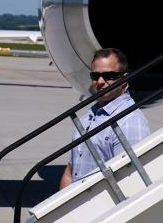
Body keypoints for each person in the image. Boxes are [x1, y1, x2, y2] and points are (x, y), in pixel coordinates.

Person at [59, 48, 150, 189]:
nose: (100, 81)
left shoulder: (130, 122)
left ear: (124, 78)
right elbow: (70, 172)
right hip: (79, 207)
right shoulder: (88, 117)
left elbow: (131, 181)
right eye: (95, 76)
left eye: (109, 76)